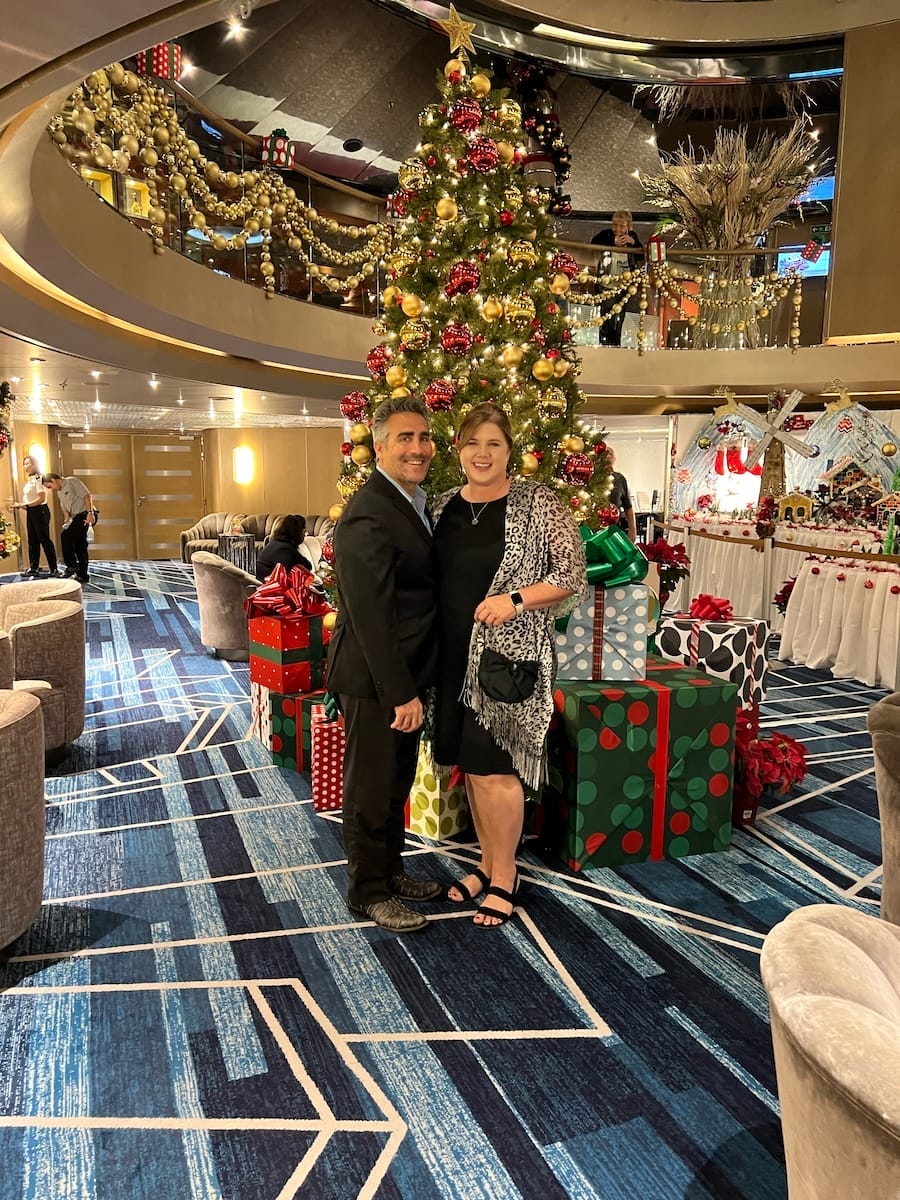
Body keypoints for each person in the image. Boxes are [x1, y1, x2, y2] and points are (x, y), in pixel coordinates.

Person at [431, 403, 586, 928]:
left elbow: (570, 576)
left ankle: (506, 875)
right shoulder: (442, 505)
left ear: (509, 451)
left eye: (493, 444)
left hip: (506, 657)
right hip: (449, 657)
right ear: (458, 449)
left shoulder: (538, 503)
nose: (482, 453)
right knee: (471, 769)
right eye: (473, 443)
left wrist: (515, 600)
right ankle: (485, 862)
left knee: (495, 769)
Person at [326, 395, 442, 934]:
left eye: (423, 437)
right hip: (377, 679)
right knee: (371, 786)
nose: (417, 448)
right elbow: (371, 617)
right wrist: (399, 691)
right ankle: (367, 890)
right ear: (379, 445)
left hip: (404, 671)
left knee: (395, 781)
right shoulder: (368, 513)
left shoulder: (412, 501)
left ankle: (389, 871)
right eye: (404, 438)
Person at [591, 211, 643, 346]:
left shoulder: (632, 237)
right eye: (615, 225)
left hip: (624, 286)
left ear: (629, 227)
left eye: (622, 226)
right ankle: (604, 346)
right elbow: (594, 243)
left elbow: (641, 254)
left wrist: (633, 243)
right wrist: (612, 242)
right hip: (607, 285)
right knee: (606, 318)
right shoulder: (606, 234)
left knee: (619, 319)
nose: (618, 229)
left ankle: (616, 345)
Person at [11, 454, 59, 577]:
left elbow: (41, 498)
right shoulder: (30, 479)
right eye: (24, 464)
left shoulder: (39, 478)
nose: (25, 466)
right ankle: (34, 567)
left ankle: (54, 568)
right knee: (32, 540)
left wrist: (25, 505)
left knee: (44, 539)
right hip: (31, 511)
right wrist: (24, 505)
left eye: (28, 463)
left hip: (40, 511)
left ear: (35, 464)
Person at [42, 473, 95, 584]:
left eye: (49, 486)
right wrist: (67, 520)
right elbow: (64, 508)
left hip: (85, 514)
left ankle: (71, 566)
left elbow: (87, 496)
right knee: (80, 545)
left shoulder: (71, 481)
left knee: (65, 537)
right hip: (76, 517)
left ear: (53, 480)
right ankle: (83, 575)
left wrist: (90, 513)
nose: (50, 489)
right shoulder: (59, 492)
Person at [254, 514, 313, 581]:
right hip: (268, 587)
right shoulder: (285, 549)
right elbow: (306, 567)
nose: (306, 534)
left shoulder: (275, 543)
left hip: (261, 584)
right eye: (304, 531)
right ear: (297, 532)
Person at [606, 448, 637, 540]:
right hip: (593, 529)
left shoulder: (620, 479)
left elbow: (628, 507)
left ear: (614, 459)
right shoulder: (592, 479)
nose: (607, 456)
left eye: (610, 453)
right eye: (605, 453)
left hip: (614, 529)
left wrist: (632, 529)